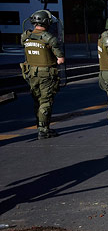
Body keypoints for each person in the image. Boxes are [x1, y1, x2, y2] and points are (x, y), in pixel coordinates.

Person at [20, 10, 65, 139]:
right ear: (46, 22)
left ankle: (40, 126)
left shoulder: (25, 36)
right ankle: (44, 129)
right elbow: (60, 60)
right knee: (46, 101)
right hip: (46, 74)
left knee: (37, 100)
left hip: (31, 73)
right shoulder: (49, 38)